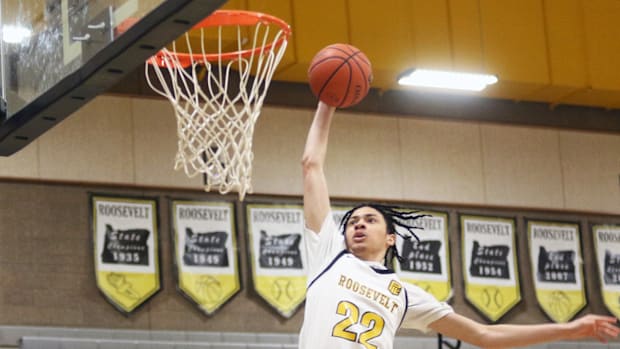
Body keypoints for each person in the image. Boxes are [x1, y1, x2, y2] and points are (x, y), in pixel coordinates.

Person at [298, 101, 619, 349]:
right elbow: (312, 166)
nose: (358, 225)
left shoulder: (405, 295)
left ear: (391, 239)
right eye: (353, 221)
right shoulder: (330, 254)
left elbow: (485, 335)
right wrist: (328, 103)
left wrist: (572, 328)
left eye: (370, 220)